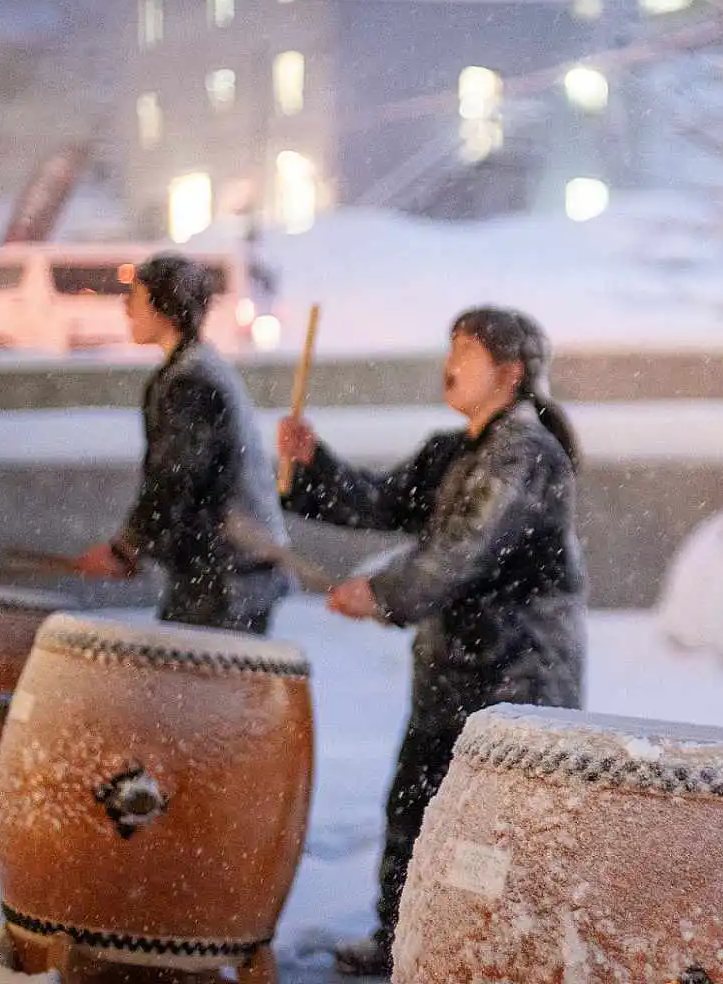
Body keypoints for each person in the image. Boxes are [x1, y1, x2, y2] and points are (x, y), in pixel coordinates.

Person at [277, 306, 587, 977]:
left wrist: (381, 593)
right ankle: (407, 938)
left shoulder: (526, 452)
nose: (451, 361)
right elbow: (375, 501)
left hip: (518, 680)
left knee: (502, 825)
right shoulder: (456, 451)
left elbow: (461, 554)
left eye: (467, 350)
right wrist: (313, 465)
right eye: (451, 345)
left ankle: (496, 953)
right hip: (453, 670)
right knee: (419, 803)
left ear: (510, 373)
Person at [75, 252, 291, 635]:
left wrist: (127, 547)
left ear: (165, 309)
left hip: (227, 577)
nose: (126, 309)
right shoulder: (193, 370)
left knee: (199, 688)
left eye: (136, 298)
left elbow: (176, 477)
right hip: (222, 571)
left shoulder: (192, 383)